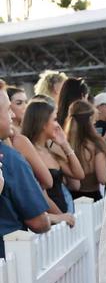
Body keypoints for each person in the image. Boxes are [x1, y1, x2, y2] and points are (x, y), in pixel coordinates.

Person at [0, 90, 51, 257]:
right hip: (10, 261)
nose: (12, 114)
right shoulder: (9, 158)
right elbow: (39, 223)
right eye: (7, 109)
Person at [21, 99, 85, 213]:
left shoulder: (51, 151)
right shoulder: (28, 153)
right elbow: (40, 194)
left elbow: (78, 174)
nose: (58, 125)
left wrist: (65, 144)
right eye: (54, 119)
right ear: (43, 123)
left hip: (64, 216)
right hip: (49, 220)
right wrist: (61, 217)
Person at [64, 100, 106, 201]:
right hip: (92, 199)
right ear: (90, 120)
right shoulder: (96, 144)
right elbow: (103, 178)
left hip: (70, 199)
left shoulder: (64, 144)